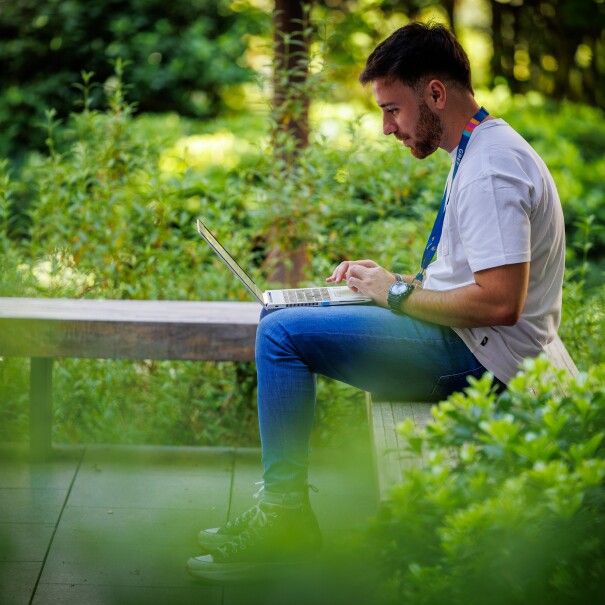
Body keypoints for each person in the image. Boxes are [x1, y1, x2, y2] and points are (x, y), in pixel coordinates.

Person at [187, 21, 565, 582]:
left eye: (393, 109)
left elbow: (498, 304)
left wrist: (393, 292)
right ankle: (282, 508)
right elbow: (474, 279)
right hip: (471, 344)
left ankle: (285, 519)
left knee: (280, 334)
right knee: (281, 314)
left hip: (485, 363)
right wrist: (385, 283)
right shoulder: (479, 147)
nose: (387, 127)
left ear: (435, 92)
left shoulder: (490, 168)